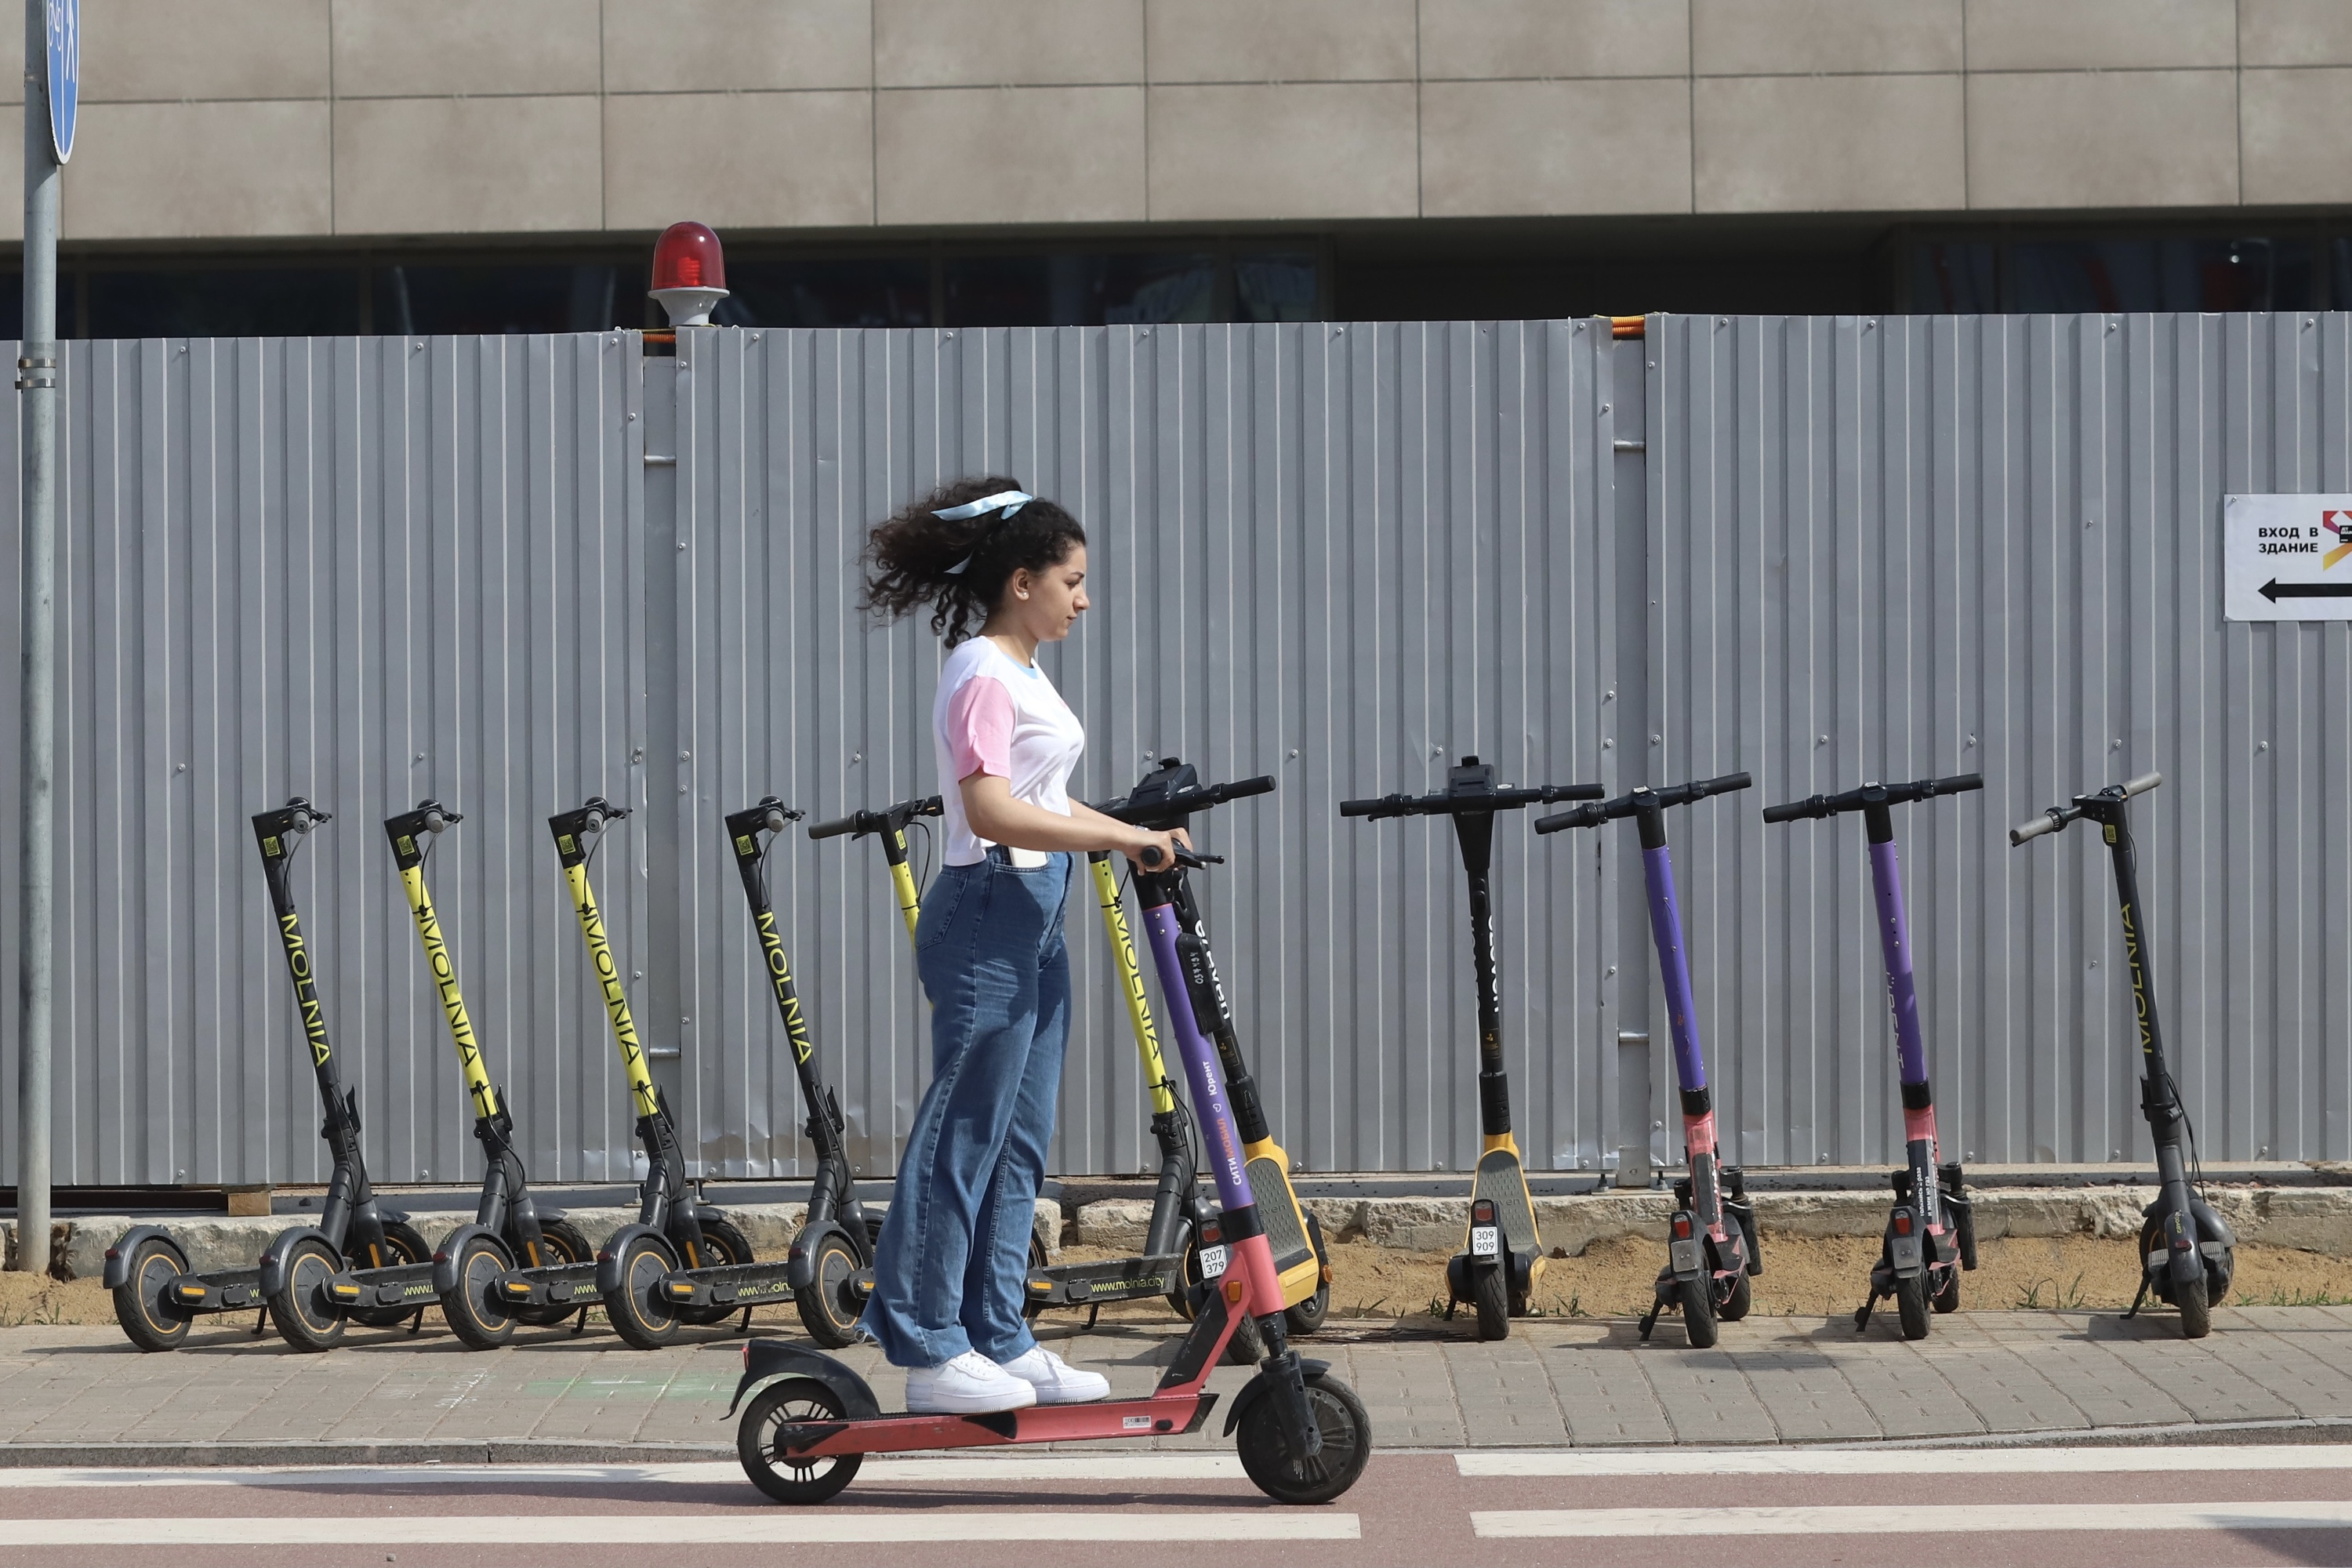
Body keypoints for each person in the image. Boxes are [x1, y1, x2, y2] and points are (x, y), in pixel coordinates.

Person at [855, 476, 1185, 1416]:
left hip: (1034, 907)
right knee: (964, 1127)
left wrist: (1133, 831)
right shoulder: (980, 673)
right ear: (1021, 580)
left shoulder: (1026, 671)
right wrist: (1122, 838)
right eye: (1072, 580)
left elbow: (1041, 802)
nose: (1083, 598)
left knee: (1018, 1139)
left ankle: (997, 1330)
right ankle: (926, 1345)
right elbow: (990, 806)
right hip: (987, 908)